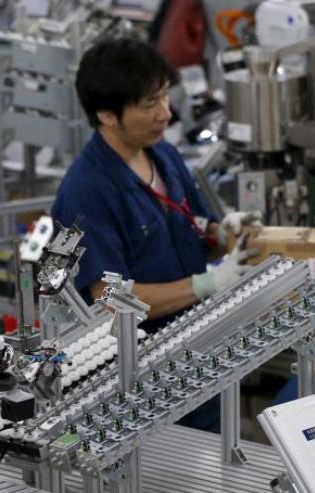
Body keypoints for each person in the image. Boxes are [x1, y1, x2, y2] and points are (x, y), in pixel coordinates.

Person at [51, 37, 253, 334]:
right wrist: (207, 284)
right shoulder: (85, 192)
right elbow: (110, 299)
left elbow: (193, 237)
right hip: (138, 355)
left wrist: (224, 236)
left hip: (194, 330)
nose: (166, 114)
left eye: (164, 97)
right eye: (149, 104)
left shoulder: (164, 156)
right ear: (106, 115)